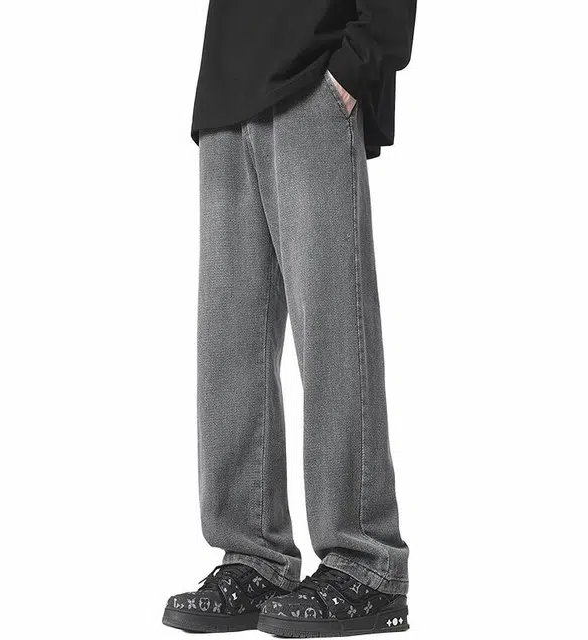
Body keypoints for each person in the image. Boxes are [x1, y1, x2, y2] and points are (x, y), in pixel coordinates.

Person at [163, 0, 416, 636]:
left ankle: (366, 561)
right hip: (226, 93)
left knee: (332, 330)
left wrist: (359, 63)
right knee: (228, 347)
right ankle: (253, 555)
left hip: (315, 77)